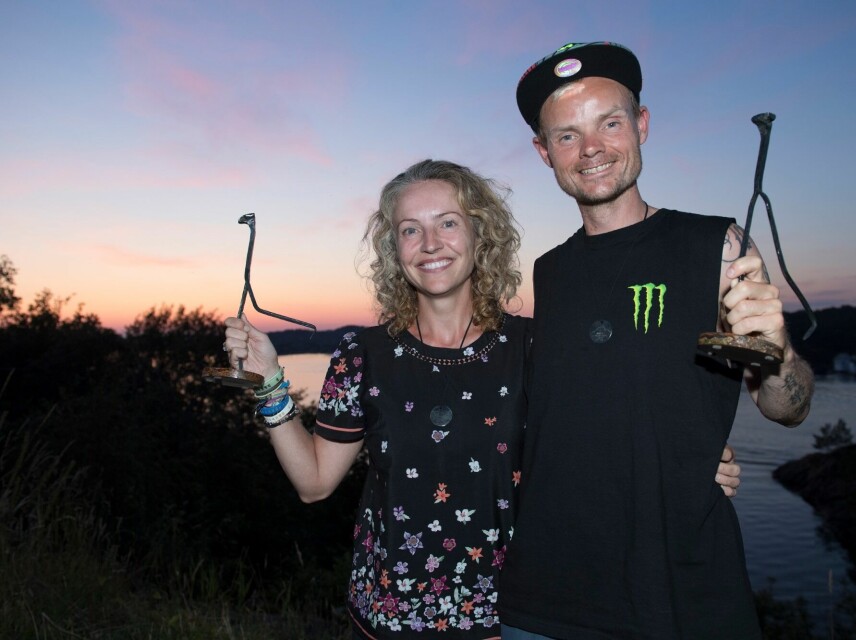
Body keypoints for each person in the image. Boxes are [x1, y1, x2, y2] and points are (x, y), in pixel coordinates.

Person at [222, 160, 742, 638]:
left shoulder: (536, 346)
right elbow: (314, 484)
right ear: (394, 249)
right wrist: (270, 383)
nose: (430, 243)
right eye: (410, 229)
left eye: (448, 223)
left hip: (513, 619)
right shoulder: (362, 354)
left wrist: (688, 461)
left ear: (480, 234)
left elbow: (604, 432)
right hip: (388, 621)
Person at [496, 42, 815, 640]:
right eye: (567, 135)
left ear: (641, 125)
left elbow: (785, 409)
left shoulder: (717, 248)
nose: (591, 149)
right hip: (544, 595)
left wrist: (779, 351)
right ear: (544, 153)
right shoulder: (549, 271)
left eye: (610, 123)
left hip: (678, 593)